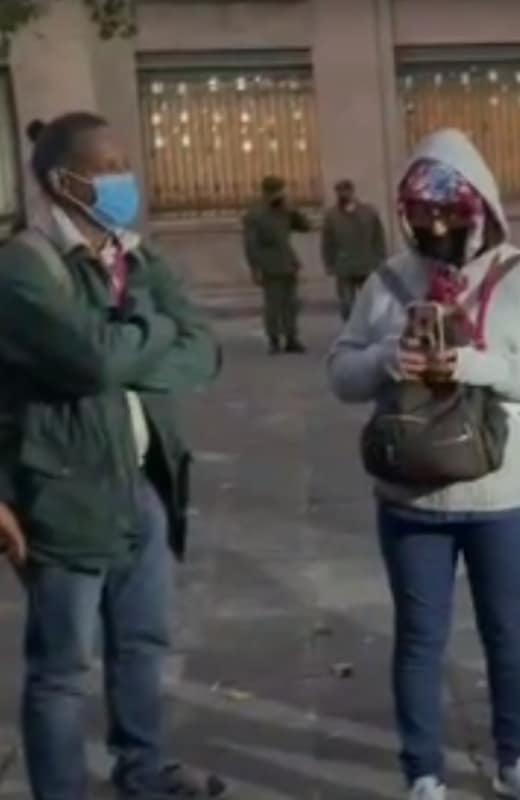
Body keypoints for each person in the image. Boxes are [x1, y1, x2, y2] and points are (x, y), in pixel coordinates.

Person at [327, 128, 520, 800]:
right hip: (413, 498)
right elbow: (340, 371)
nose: (434, 225)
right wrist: (387, 356)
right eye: (421, 214)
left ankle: (517, 760)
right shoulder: (388, 282)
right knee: (419, 638)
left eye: (448, 211)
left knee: (509, 632)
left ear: (481, 206)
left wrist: (480, 367)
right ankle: (423, 773)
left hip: (507, 494)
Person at [0, 113, 224, 799]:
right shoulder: (23, 267)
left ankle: (143, 774)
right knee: (63, 667)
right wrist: (149, 330)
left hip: (144, 485)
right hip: (64, 494)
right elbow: (91, 361)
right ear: (64, 180)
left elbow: (204, 351)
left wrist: (130, 348)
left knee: (143, 645)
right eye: (107, 167)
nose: (123, 179)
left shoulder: (137, 256)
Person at [242, 174, 312, 354]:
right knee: (273, 305)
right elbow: (251, 244)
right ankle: (273, 339)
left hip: (288, 264)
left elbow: (306, 226)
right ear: (268, 192)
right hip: (270, 267)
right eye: (279, 190)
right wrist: (255, 268)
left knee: (291, 304)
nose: (282, 194)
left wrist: (293, 211)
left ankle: (291, 337)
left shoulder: (284, 211)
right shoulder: (255, 215)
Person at [321, 178, 387, 320]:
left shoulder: (369, 212)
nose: (343, 195)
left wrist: (380, 258)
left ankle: (369, 329)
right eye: (339, 192)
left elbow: (378, 237)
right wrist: (329, 263)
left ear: (352, 192)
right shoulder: (331, 216)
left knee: (369, 302)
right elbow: (327, 242)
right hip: (344, 266)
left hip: (367, 264)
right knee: (347, 304)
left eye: (345, 191)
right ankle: (351, 330)